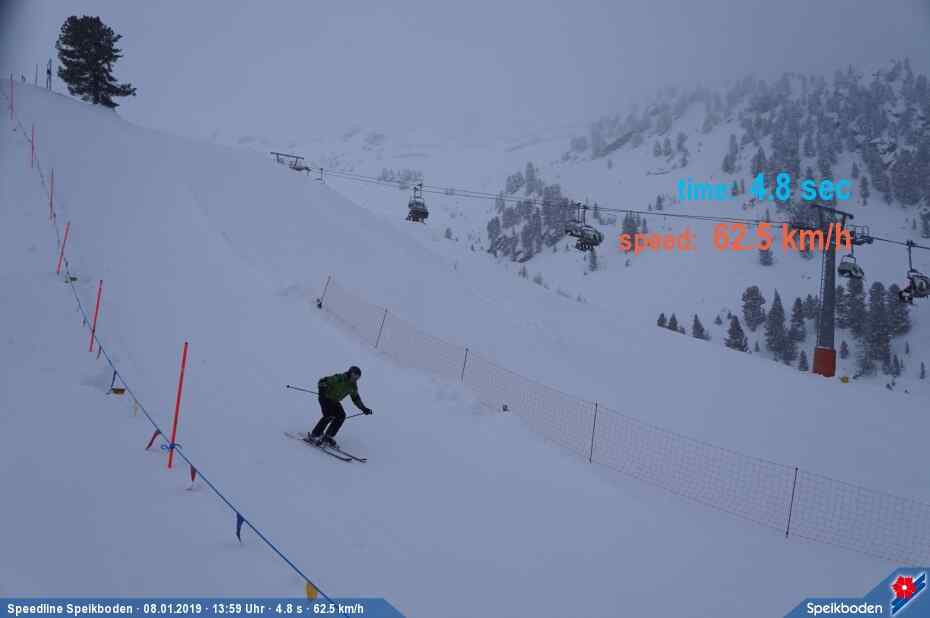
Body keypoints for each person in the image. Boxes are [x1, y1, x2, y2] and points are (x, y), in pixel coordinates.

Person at [308, 365, 372, 448]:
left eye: (357, 377)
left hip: (335, 401)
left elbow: (356, 398)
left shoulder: (353, 386)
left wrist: (364, 408)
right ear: (350, 373)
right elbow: (323, 381)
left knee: (341, 416)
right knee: (329, 415)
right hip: (325, 398)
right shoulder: (340, 378)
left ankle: (328, 436)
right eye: (354, 376)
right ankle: (315, 434)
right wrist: (322, 390)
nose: (355, 379)